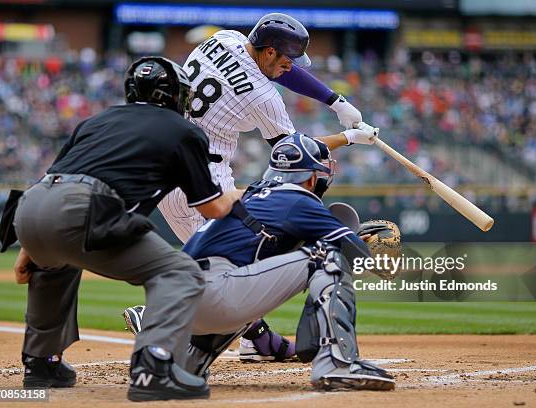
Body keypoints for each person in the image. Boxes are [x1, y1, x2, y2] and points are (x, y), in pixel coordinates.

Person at [124, 13, 379, 362]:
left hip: (170, 166)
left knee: (242, 262)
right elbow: (293, 152)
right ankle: (158, 318)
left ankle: (254, 340)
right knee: (247, 261)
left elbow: (280, 71)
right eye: (286, 59)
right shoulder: (262, 97)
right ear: (270, 52)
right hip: (201, 181)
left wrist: (334, 100)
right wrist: (348, 138)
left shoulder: (224, 39)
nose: (289, 67)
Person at [7, 56, 243, 401]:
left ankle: (41, 363)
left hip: (30, 208)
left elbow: (52, 178)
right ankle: (154, 367)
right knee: (179, 272)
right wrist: (241, 192)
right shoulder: (184, 130)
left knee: (55, 264)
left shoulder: (97, 120)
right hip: (83, 208)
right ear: (172, 94)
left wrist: (31, 247)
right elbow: (214, 207)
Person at [125, 133, 396, 391]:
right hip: (214, 295)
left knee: (240, 277)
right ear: (312, 178)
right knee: (328, 256)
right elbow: (361, 259)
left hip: (177, 303)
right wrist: (365, 245)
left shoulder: (254, 194)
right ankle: (337, 364)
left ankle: (182, 364)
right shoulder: (297, 199)